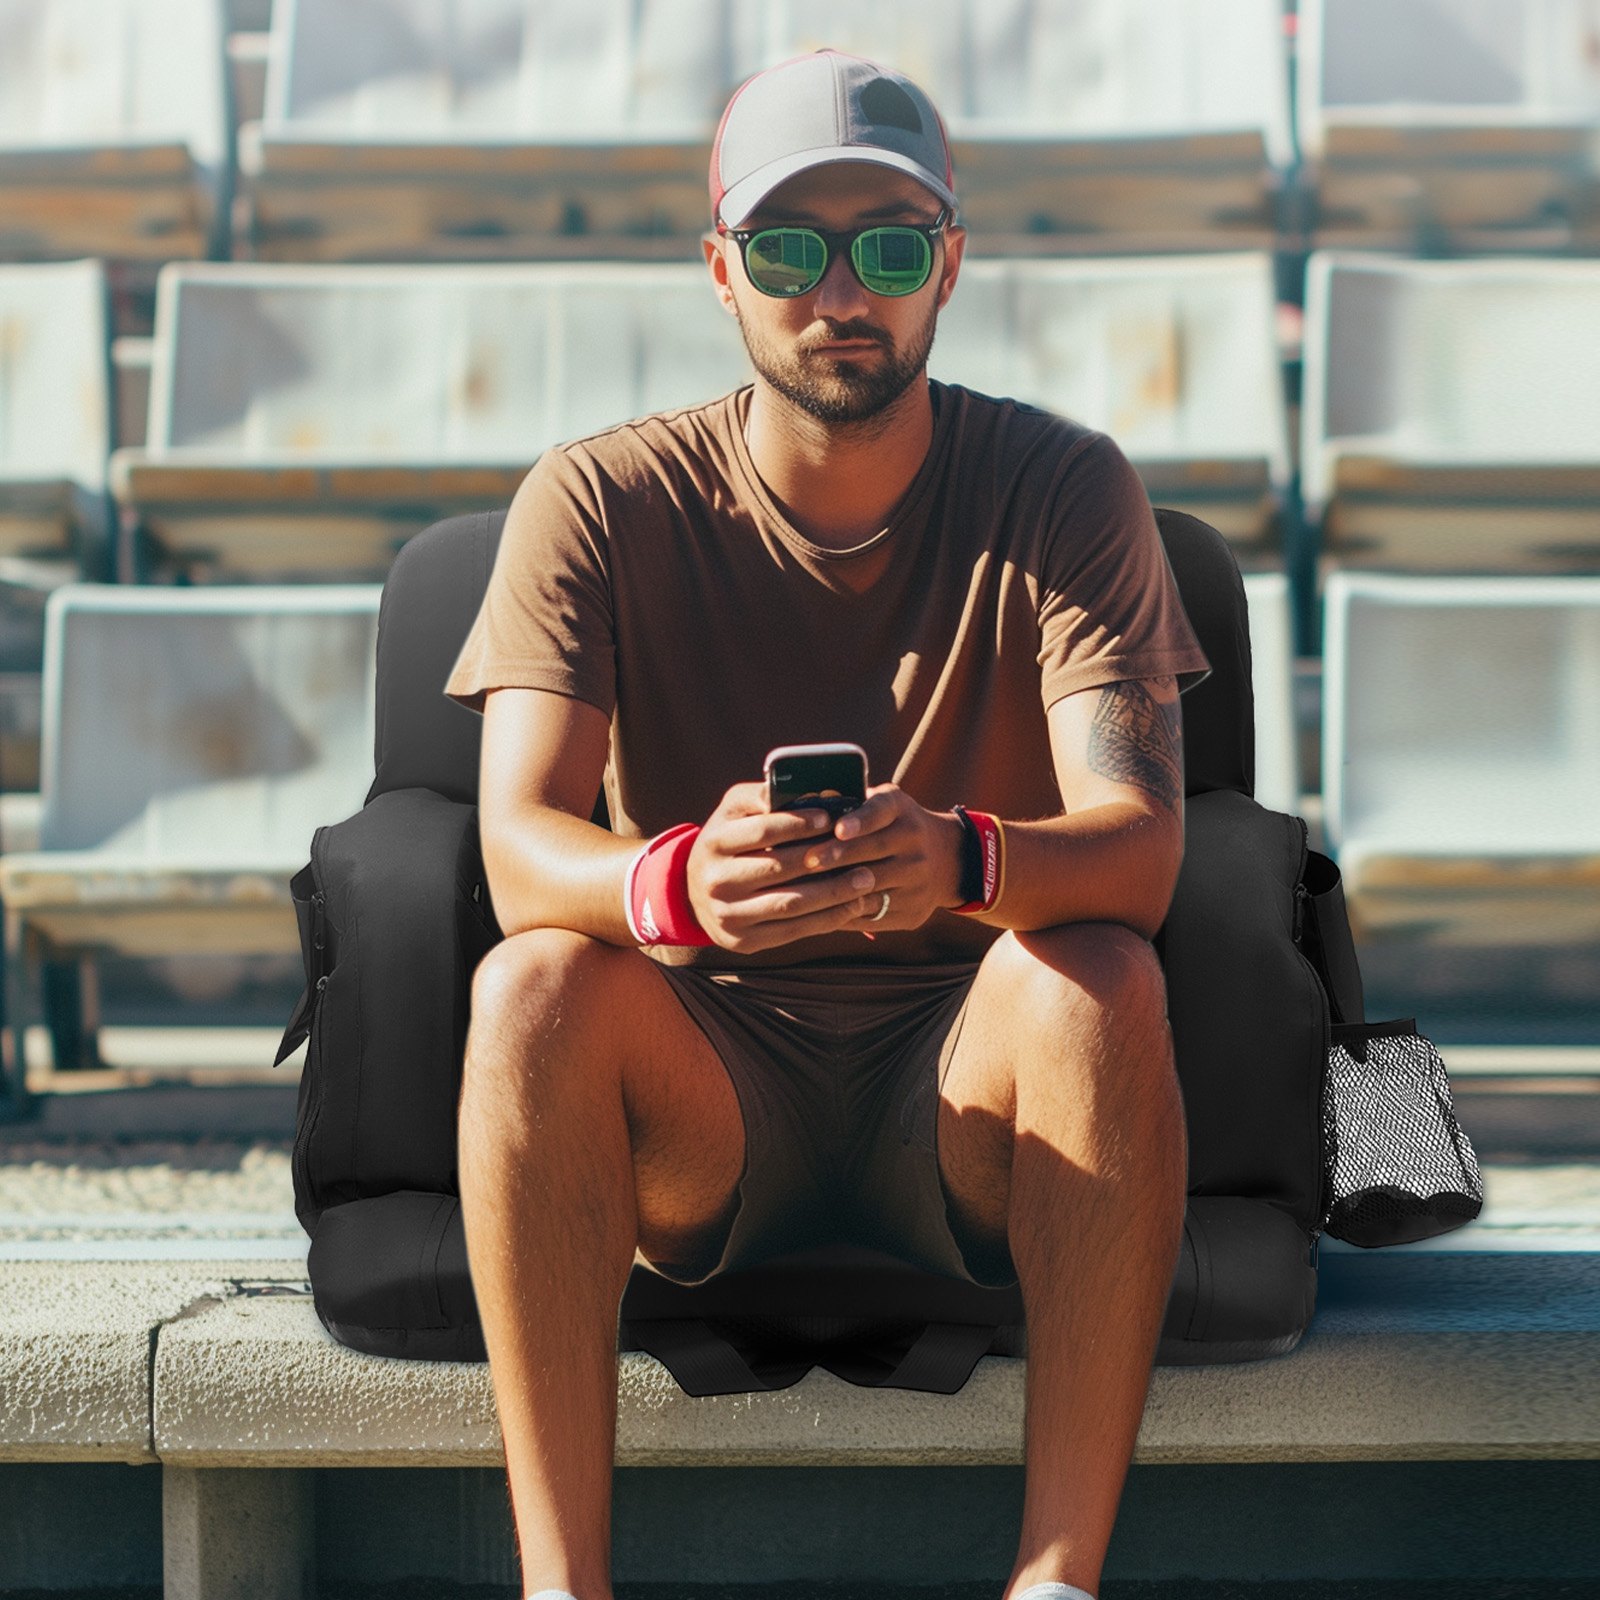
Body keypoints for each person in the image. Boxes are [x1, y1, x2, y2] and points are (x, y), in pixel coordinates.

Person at [442, 46, 1212, 1600]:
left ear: (950, 268)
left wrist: (959, 858)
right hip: (706, 1087)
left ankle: (1057, 1582)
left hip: (970, 1088)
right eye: (792, 248)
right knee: (526, 988)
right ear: (722, 270)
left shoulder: (1065, 488)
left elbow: (1140, 845)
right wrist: (673, 888)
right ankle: (559, 1588)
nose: (840, 291)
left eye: (890, 245)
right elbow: (515, 844)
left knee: (1101, 980)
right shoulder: (595, 499)